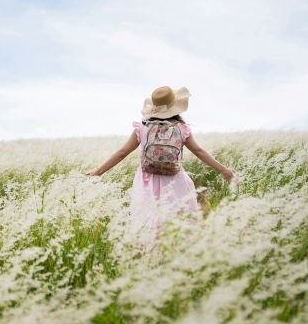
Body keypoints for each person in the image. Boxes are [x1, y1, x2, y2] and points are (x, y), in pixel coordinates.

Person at [88, 85, 235, 243]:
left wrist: (97, 172)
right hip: (174, 179)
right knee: (176, 219)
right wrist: (224, 171)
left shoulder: (143, 128)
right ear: (175, 108)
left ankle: (149, 253)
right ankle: (176, 250)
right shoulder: (182, 128)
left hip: (147, 181)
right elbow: (199, 152)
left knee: (149, 219)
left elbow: (122, 152)